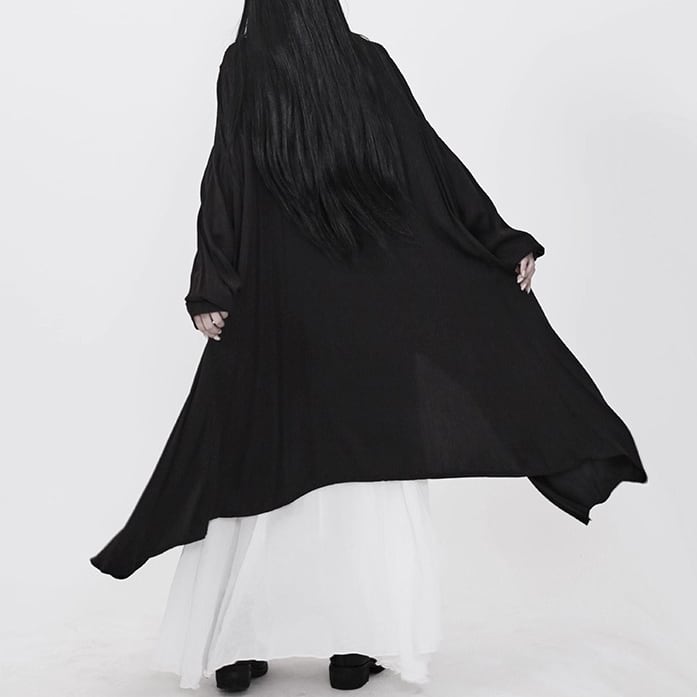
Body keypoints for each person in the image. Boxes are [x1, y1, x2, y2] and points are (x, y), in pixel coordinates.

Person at [89, 0, 648, 692]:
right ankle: (356, 645)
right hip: (367, 310)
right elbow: (429, 166)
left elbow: (226, 177)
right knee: (365, 472)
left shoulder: (245, 66)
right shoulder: (367, 63)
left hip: (276, 308)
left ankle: (237, 645)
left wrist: (211, 285)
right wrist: (496, 239)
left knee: (254, 460)